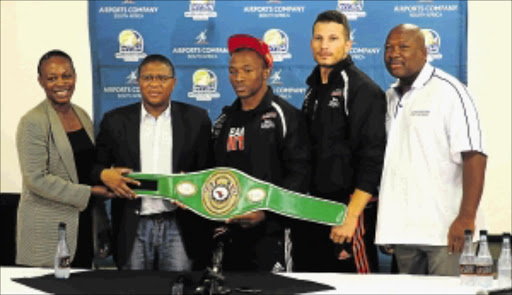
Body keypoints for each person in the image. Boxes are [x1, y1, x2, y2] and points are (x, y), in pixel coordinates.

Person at [375, 24, 487, 276]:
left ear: (425, 53)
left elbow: (474, 156)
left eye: (403, 46)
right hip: (404, 234)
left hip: (446, 233)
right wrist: (389, 225)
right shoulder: (389, 98)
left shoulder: (450, 91)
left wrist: (466, 219)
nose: (394, 53)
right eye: (389, 48)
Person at [91, 54, 213, 271]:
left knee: (178, 287)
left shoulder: (196, 119)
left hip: (180, 225)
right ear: (137, 81)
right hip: (132, 225)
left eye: (162, 78)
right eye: (148, 78)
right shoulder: (115, 121)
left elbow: (209, 172)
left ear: (174, 83)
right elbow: (93, 167)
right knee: (134, 289)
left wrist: (194, 191)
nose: (154, 84)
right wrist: (103, 175)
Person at [292, 10, 386, 273]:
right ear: (311, 43)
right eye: (319, 38)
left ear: (348, 44)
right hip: (315, 210)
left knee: (357, 289)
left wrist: (351, 215)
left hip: (349, 212)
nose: (324, 46)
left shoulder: (360, 88)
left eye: (333, 38)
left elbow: (372, 158)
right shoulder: (312, 89)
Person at [211, 34, 310, 272]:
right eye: (233, 71)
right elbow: (216, 173)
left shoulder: (285, 116)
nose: (238, 78)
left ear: (266, 72)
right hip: (231, 234)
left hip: (273, 234)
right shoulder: (224, 120)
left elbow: (299, 176)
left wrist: (266, 213)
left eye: (247, 70)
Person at [16, 50, 112, 268]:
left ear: (75, 76)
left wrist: (108, 180)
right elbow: (36, 179)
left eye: (66, 75)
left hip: (84, 224)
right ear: (41, 81)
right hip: (48, 229)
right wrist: (90, 192)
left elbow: (86, 165)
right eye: (52, 78)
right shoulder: (33, 121)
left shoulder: (82, 114)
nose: (61, 83)